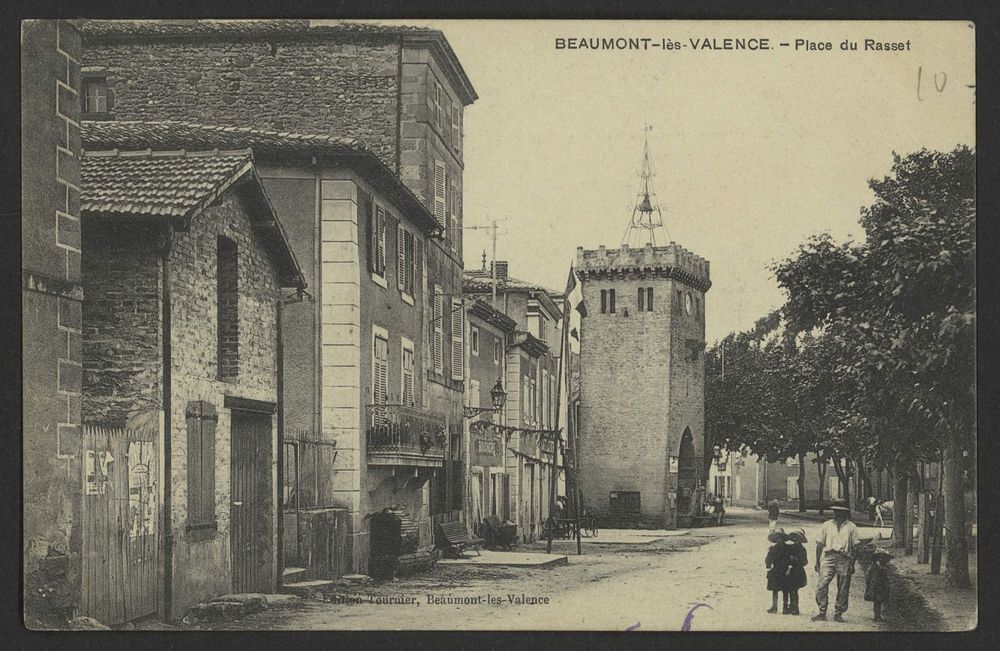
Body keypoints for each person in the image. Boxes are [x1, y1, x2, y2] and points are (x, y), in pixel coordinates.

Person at [812, 504, 861, 622]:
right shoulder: (827, 525)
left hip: (844, 558)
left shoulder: (851, 527)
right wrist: (818, 561)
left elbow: (855, 546)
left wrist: (852, 563)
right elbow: (819, 543)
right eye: (835, 511)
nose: (837, 514)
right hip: (828, 557)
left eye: (840, 511)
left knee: (843, 586)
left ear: (845, 513)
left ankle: (839, 613)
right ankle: (822, 612)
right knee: (821, 585)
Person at [784, 528, 809, 615]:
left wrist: (796, 560)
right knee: (790, 589)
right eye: (794, 537)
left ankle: (795, 607)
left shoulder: (802, 549)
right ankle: (791, 606)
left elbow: (805, 562)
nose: (795, 539)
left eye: (797, 538)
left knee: (794, 590)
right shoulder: (791, 547)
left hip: (797, 572)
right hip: (790, 571)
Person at [765, 528, 789, 614]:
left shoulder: (788, 548)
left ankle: (785, 607)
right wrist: (768, 567)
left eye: (780, 537)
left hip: (785, 571)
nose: (779, 539)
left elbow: (790, 559)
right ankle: (774, 606)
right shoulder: (773, 549)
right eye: (777, 538)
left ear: (783, 538)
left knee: (785, 590)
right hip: (775, 570)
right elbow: (768, 560)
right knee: (774, 590)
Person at [864, 547, 892, 622]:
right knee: (877, 601)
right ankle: (877, 616)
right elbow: (870, 577)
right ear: (877, 558)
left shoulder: (881, 567)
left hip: (881, 586)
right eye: (880, 558)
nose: (881, 559)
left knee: (879, 601)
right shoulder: (874, 567)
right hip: (876, 586)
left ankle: (878, 615)